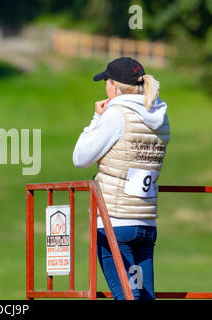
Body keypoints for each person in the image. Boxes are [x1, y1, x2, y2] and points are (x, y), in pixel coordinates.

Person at [72, 57, 170, 300]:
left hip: (114, 221)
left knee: (127, 297)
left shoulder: (116, 115)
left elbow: (80, 157)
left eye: (106, 81)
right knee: (144, 297)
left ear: (115, 87)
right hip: (146, 222)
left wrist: (96, 119)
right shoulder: (159, 116)